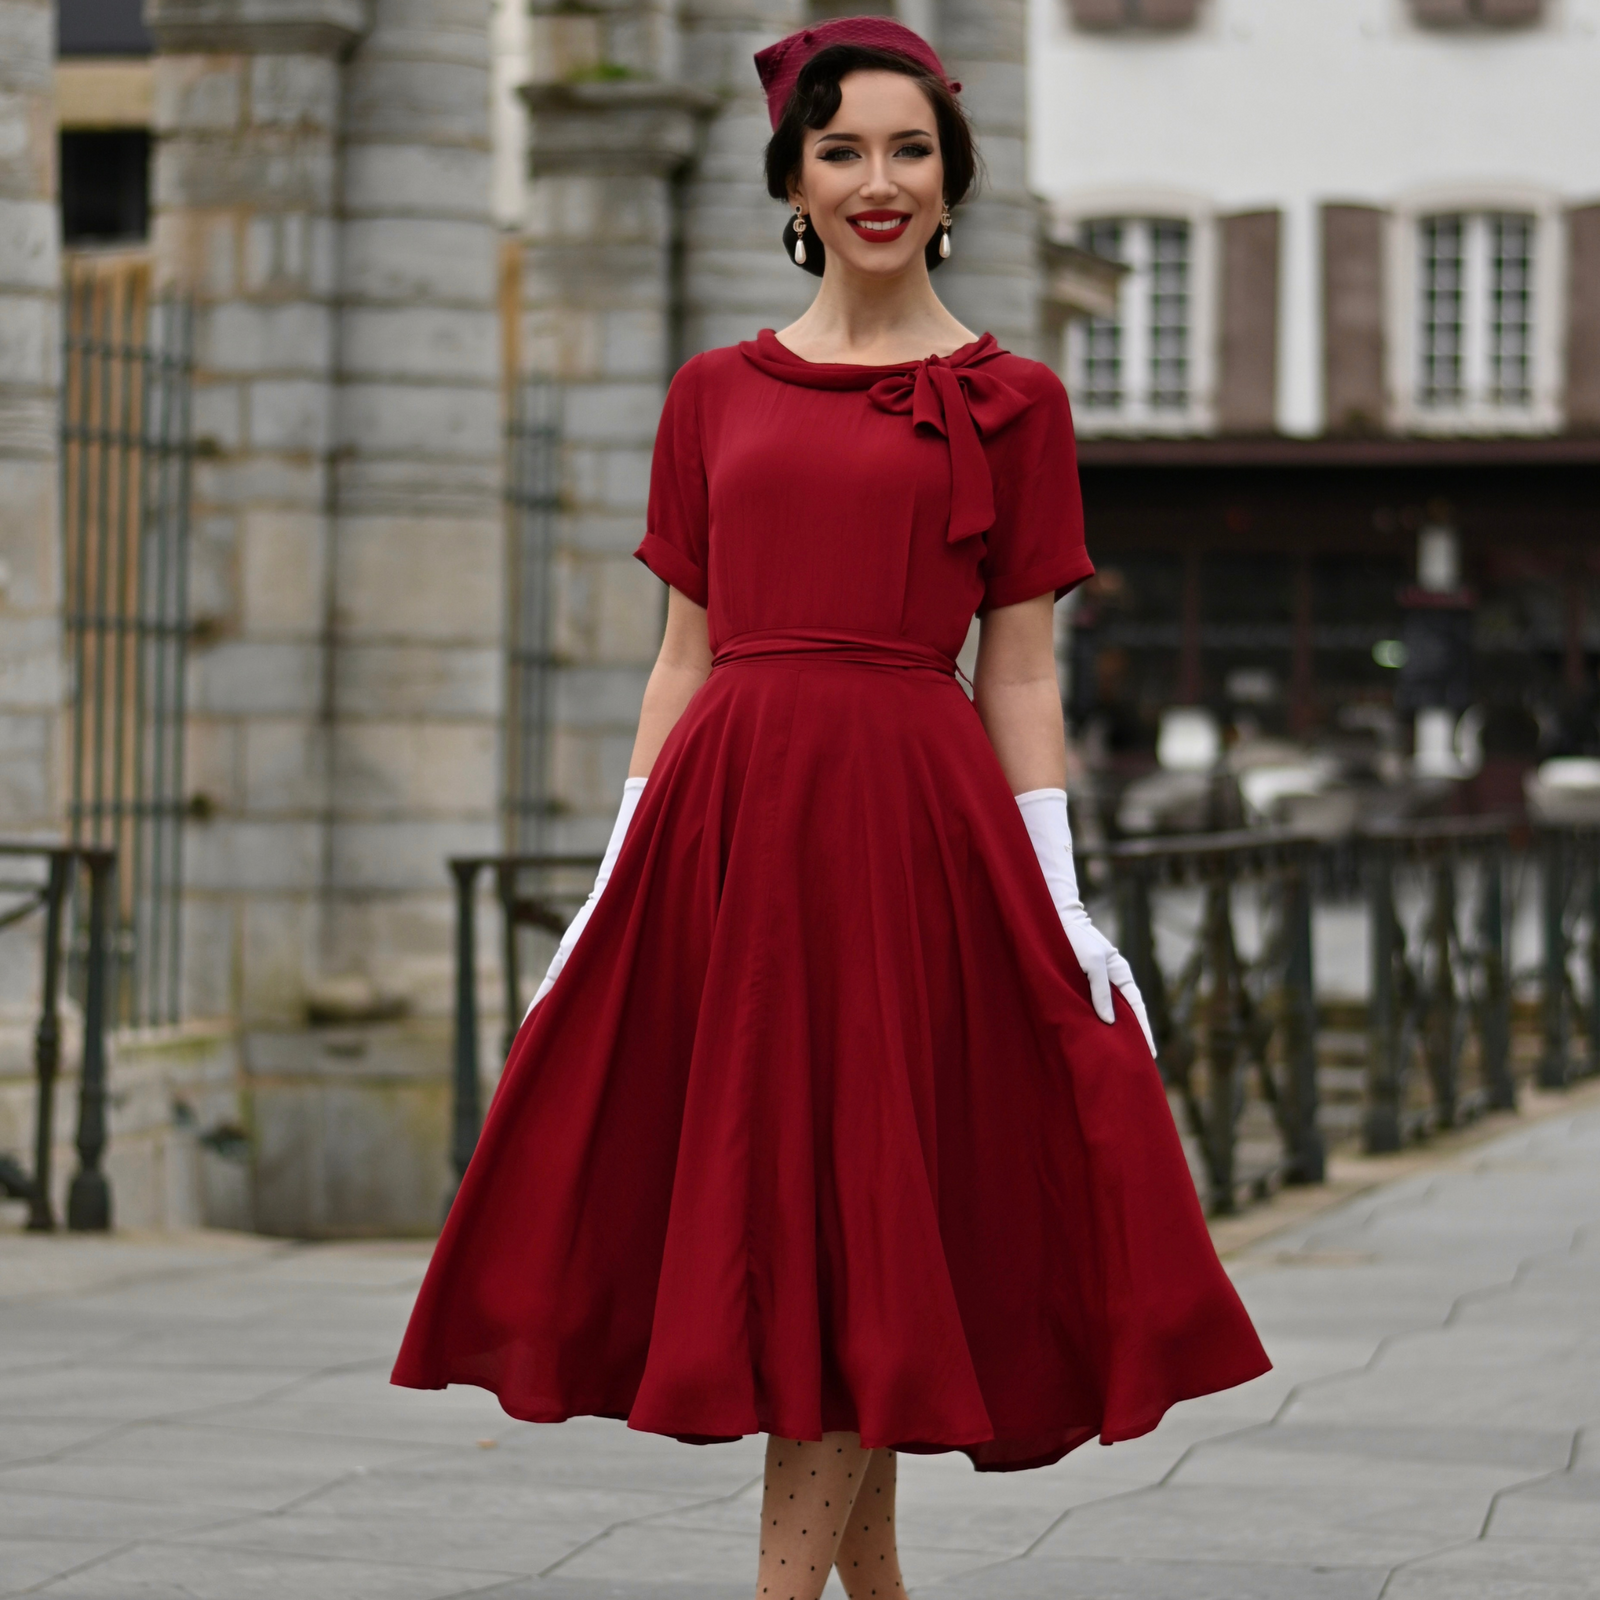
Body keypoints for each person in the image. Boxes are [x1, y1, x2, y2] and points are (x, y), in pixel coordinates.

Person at [393, 18, 1269, 1599]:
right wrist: (612, 883)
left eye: (910, 150)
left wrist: (1059, 894)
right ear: (793, 177)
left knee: (863, 1220)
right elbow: (682, 655)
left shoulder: (1018, 401)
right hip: (729, 829)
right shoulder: (712, 392)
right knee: (793, 1224)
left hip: (910, 835)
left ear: (954, 180)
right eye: (843, 149)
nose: (879, 180)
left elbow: (1018, 676)